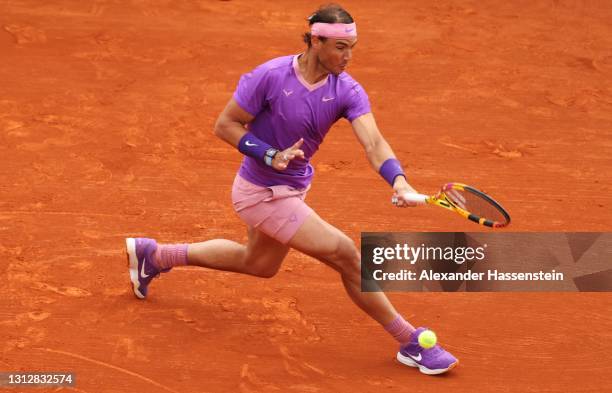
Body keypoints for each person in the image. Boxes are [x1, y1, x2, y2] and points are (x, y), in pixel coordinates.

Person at [125, 3, 458, 375]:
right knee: (346, 255)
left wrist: (399, 181)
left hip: (294, 188)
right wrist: (269, 154)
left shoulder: (347, 89)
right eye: (340, 48)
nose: (348, 57)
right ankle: (411, 341)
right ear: (316, 41)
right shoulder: (270, 75)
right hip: (260, 193)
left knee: (259, 263)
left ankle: (154, 256)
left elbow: (374, 143)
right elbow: (226, 124)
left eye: (353, 47)